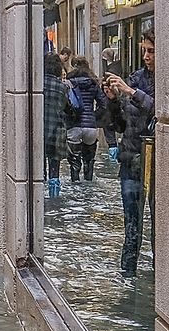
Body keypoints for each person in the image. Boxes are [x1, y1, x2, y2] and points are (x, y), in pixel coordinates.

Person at [102, 55, 155, 277]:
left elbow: (160, 111)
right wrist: (113, 100)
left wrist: (132, 93)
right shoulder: (136, 78)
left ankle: (158, 275)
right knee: (131, 225)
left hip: (157, 166)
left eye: (151, 50)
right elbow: (120, 124)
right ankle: (128, 273)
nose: (145, 56)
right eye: (144, 50)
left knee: (158, 227)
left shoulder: (168, 80)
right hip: (130, 162)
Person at [64, 56, 105, 182]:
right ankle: (88, 178)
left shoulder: (69, 82)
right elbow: (103, 104)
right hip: (90, 127)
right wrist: (93, 116)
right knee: (89, 160)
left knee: (74, 163)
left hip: (74, 125)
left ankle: (75, 180)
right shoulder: (93, 82)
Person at [43, 51, 69, 199]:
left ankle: (40, 198)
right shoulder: (62, 87)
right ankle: (54, 197)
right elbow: (69, 108)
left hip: (39, 131)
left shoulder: (37, 84)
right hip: (57, 131)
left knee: (39, 169)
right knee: (55, 168)